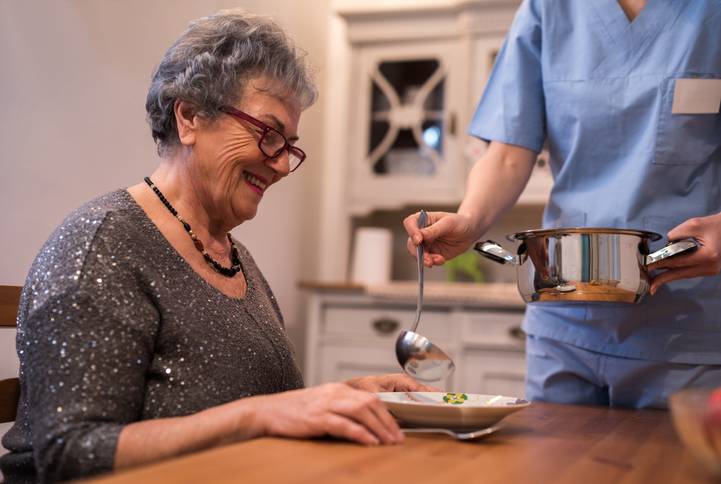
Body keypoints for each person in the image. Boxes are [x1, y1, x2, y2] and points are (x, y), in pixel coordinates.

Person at [0, 9, 436, 484]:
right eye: (269, 134)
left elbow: (241, 405)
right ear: (188, 117)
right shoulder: (101, 247)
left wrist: (342, 396)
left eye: (290, 145)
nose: (282, 165)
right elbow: (68, 453)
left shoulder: (231, 256)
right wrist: (261, 417)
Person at [404, 0, 721, 409]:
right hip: (563, 320)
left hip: (687, 327)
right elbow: (506, 153)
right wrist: (470, 218)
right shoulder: (548, 9)